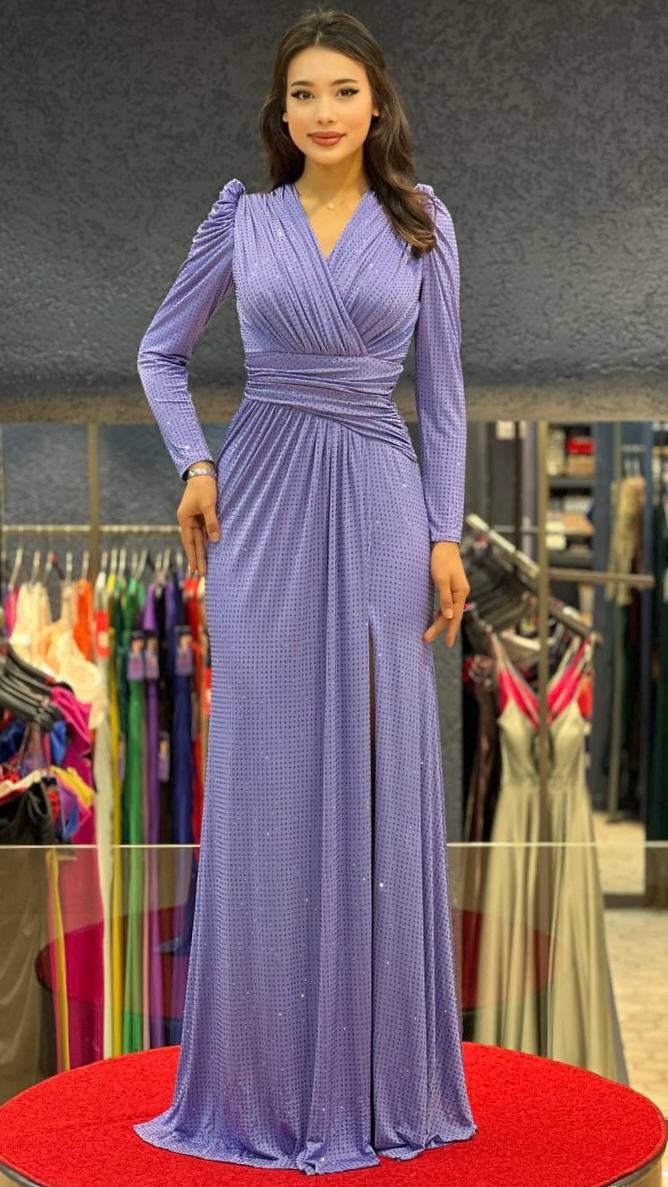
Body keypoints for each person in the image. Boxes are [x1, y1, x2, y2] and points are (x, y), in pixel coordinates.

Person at [132, 6, 477, 1175]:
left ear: (375, 102)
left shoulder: (421, 223)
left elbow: (442, 397)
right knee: (267, 766)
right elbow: (159, 350)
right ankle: (264, 1074)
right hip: (261, 502)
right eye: (301, 94)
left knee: (379, 763)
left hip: (379, 501)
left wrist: (442, 533)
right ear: (278, 113)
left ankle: (376, 1073)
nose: (322, 112)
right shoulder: (244, 218)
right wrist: (194, 460)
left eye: (341, 90)